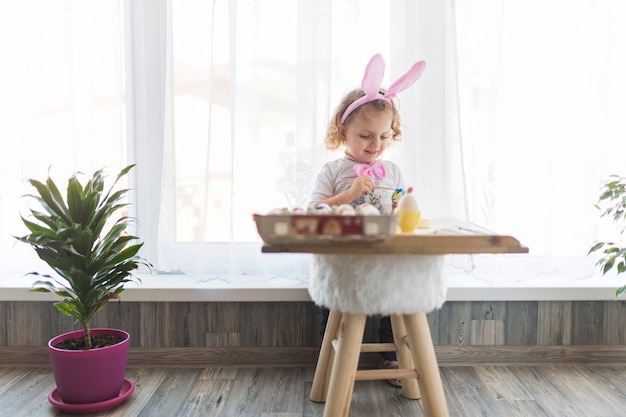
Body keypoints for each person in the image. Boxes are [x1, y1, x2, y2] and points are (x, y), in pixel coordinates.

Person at [308, 53, 425, 386]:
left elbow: (399, 213)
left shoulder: (393, 171)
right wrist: (346, 196)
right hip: (341, 262)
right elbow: (313, 211)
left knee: (397, 300)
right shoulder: (333, 171)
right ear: (343, 131)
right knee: (333, 307)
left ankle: (391, 359)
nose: (376, 144)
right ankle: (332, 360)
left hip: (384, 259)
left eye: (384, 137)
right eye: (366, 136)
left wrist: (404, 204)